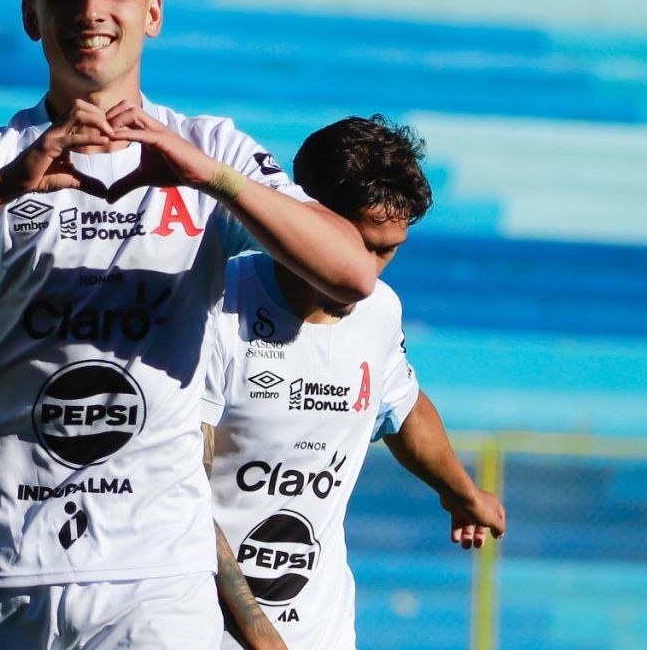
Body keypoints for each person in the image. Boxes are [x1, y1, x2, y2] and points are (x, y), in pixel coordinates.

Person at [0, 0, 376, 650]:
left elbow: (351, 273)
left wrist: (212, 180)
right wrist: (2, 190)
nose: (90, 10)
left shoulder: (209, 148)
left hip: (154, 577)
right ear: (33, 16)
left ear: (151, 12)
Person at [202, 115, 507, 650]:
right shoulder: (214, 306)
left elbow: (403, 409)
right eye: (360, 244)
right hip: (201, 630)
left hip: (323, 632)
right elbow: (174, 485)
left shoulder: (380, 312)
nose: (368, 273)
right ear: (306, 217)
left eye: (388, 251)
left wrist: (462, 492)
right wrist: (254, 628)